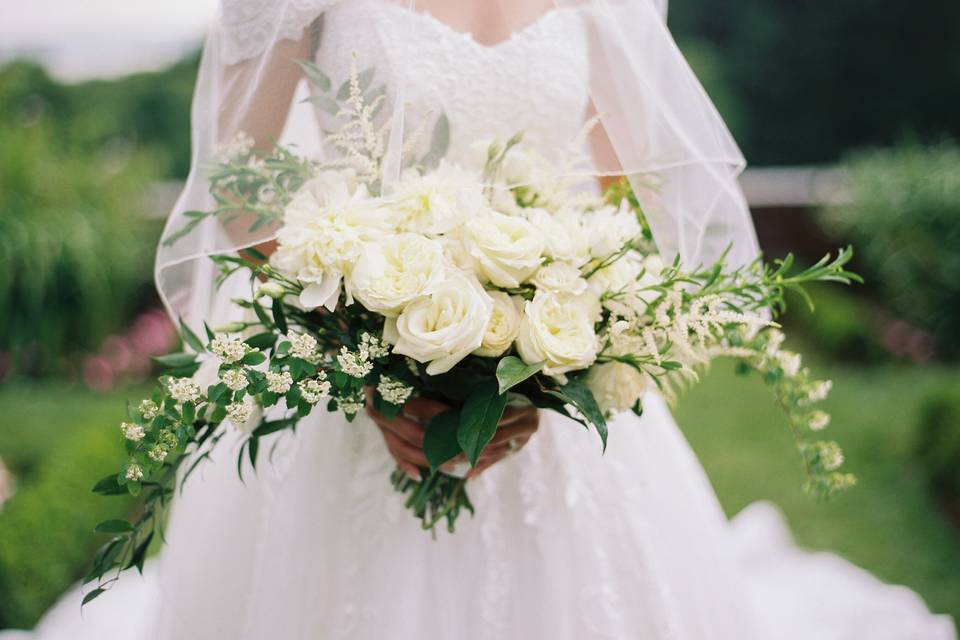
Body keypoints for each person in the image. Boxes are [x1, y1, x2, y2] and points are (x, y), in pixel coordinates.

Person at [7, 1, 955, 638]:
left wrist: (560, 348)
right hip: (347, 387)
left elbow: (633, 189)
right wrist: (367, 366)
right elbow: (241, 184)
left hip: (550, 396)